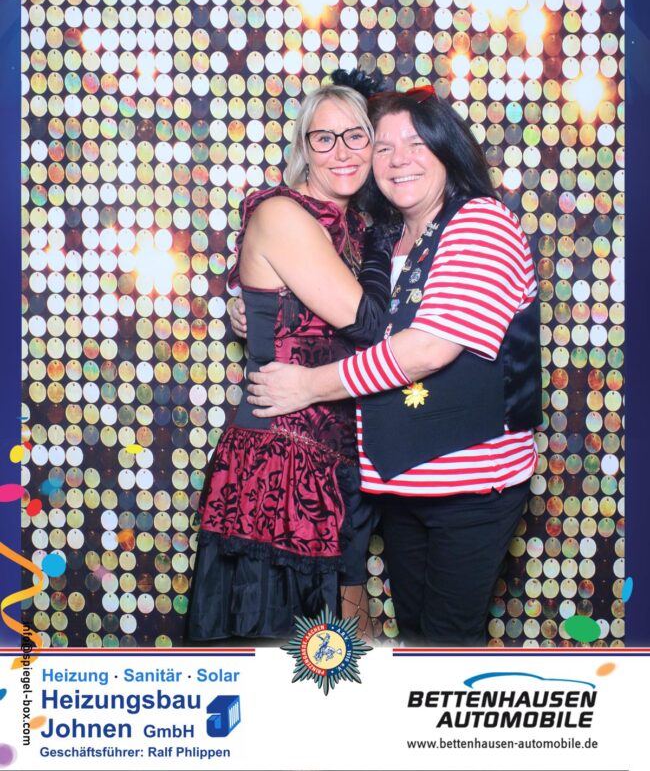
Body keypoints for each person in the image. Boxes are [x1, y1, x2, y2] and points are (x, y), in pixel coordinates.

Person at [246, 90, 542, 647]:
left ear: (447, 150)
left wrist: (308, 386)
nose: (399, 158)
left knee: (447, 645)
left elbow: (428, 347)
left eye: (415, 143)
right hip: (400, 484)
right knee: (414, 639)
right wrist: (257, 308)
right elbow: (334, 308)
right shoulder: (384, 238)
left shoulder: (481, 223)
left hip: (470, 485)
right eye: (383, 147)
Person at [186, 72, 391, 642]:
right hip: (280, 464)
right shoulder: (284, 214)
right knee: (277, 655)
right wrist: (383, 238)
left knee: (343, 654)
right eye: (324, 138)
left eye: (355, 136)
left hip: (344, 464)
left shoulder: (353, 226)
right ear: (304, 147)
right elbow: (368, 324)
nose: (342, 152)